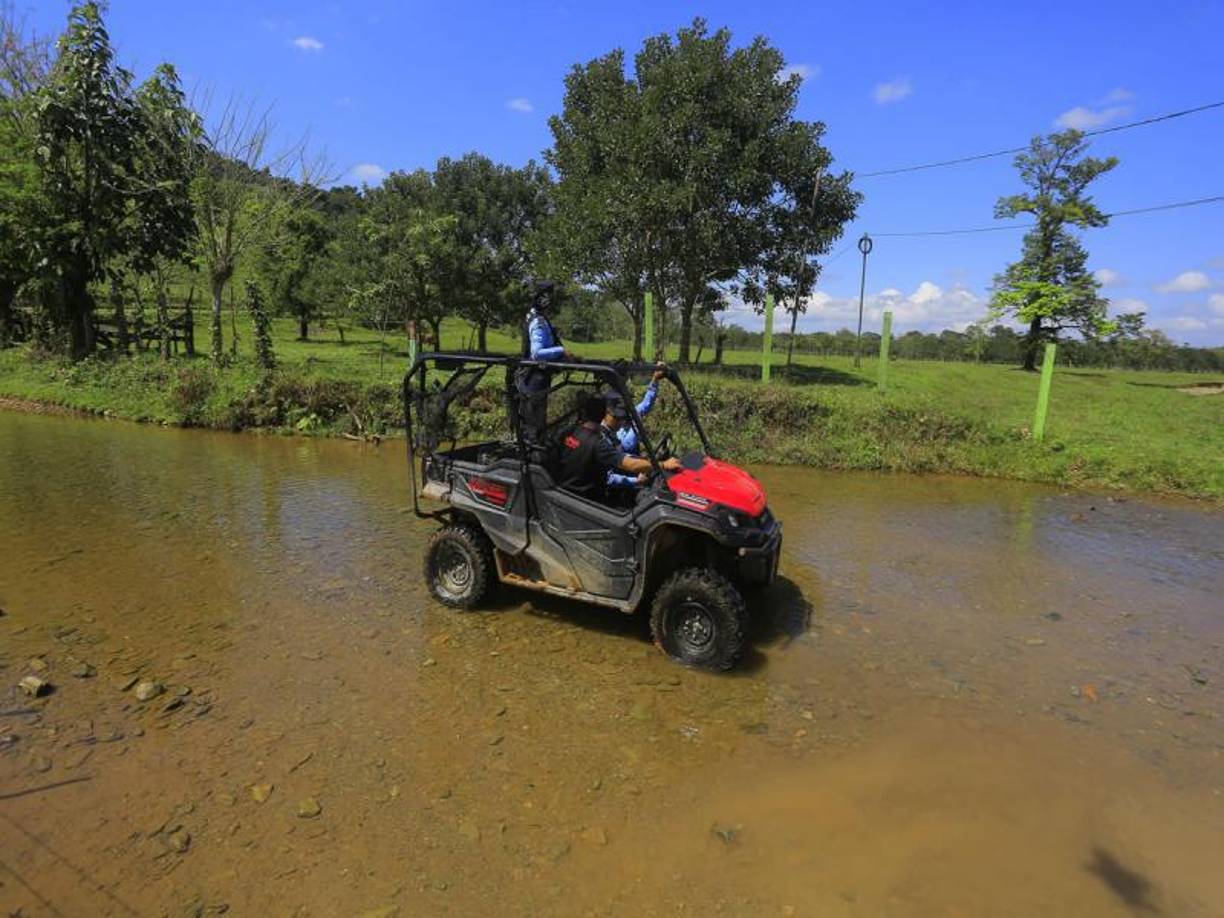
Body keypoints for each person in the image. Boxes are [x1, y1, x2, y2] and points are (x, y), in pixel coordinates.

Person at [558, 394, 679, 502]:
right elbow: (630, 465)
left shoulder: (571, 432)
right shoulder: (599, 444)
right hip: (588, 498)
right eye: (617, 418)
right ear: (604, 415)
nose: (621, 422)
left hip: (568, 488)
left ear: (584, 413)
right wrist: (663, 465)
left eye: (622, 419)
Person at [515, 280, 572, 444]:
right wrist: (561, 351)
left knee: (535, 423)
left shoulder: (536, 317)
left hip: (536, 378)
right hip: (534, 378)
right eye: (548, 298)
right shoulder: (538, 321)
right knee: (534, 424)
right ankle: (532, 457)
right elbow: (537, 353)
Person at [605, 365, 666, 490]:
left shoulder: (631, 416)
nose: (622, 419)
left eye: (624, 413)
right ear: (609, 412)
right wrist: (635, 480)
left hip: (634, 466)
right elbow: (609, 476)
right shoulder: (604, 437)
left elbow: (646, 404)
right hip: (623, 474)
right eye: (618, 416)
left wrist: (655, 380)